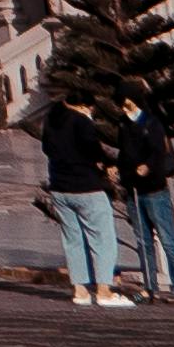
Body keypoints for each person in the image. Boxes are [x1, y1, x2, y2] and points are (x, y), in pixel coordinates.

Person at [37, 80, 129, 305]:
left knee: (73, 239)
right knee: (102, 238)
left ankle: (80, 290)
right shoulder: (81, 122)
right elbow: (92, 149)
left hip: (60, 187)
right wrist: (106, 164)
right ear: (83, 106)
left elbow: (46, 148)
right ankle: (104, 290)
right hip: (86, 187)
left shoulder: (51, 120)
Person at [112, 96, 174, 298]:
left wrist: (149, 167)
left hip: (155, 190)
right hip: (133, 191)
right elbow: (124, 154)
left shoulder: (152, 122)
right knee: (143, 242)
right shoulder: (123, 124)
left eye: (128, 102)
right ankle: (150, 286)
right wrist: (118, 170)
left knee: (167, 239)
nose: (124, 107)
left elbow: (158, 151)